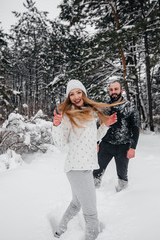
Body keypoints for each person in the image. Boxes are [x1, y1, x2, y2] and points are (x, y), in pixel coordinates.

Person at [51, 79, 117, 240]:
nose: (75, 96)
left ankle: (59, 230)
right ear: (69, 98)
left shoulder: (90, 113)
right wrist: (56, 125)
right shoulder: (66, 115)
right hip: (76, 168)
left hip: (86, 166)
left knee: (76, 203)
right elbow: (60, 143)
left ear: (84, 93)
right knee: (91, 213)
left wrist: (105, 125)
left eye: (78, 92)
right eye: (71, 94)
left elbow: (95, 138)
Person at [93, 81, 140, 192]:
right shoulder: (105, 107)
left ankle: (122, 195)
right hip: (106, 145)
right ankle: (94, 192)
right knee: (96, 171)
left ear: (121, 91)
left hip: (123, 146)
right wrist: (95, 143)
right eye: (111, 90)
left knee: (122, 174)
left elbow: (136, 128)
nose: (113, 92)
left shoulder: (130, 107)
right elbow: (97, 125)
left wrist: (133, 147)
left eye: (116, 89)